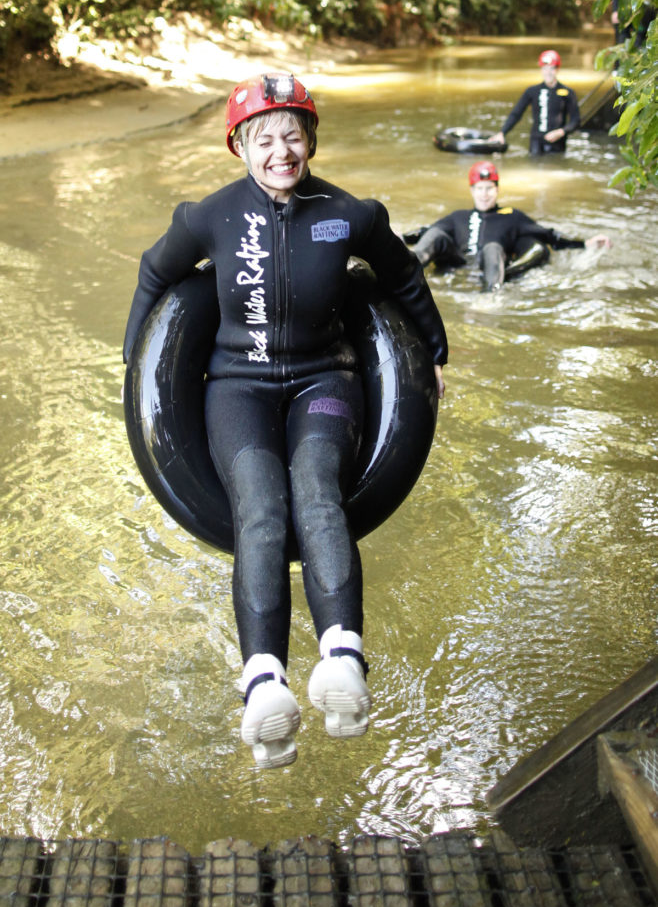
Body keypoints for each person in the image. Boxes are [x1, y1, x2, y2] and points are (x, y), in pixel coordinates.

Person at [123, 71, 448, 770]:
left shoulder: (349, 214)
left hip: (324, 380)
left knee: (317, 487)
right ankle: (265, 683)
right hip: (235, 387)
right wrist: (133, 370)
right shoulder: (207, 216)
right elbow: (153, 274)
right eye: (264, 137)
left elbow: (403, 277)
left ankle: (342, 662)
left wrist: (438, 355)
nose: (281, 150)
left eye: (293, 135)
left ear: (311, 139)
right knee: (262, 509)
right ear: (239, 144)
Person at [405, 160, 611, 290]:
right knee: (437, 234)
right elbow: (427, 232)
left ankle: (491, 297)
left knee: (492, 247)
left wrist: (584, 244)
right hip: (458, 263)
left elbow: (548, 235)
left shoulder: (512, 217)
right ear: (472, 190)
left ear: (497, 190)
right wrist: (401, 238)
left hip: (490, 267)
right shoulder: (459, 216)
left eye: (489, 189)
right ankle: (404, 273)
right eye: (480, 189)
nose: (484, 194)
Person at [490, 50, 580, 155]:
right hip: (536, 144)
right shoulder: (532, 91)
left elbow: (576, 121)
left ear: (557, 69)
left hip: (557, 145)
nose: (548, 72)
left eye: (552, 68)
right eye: (545, 68)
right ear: (541, 69)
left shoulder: (568, 93)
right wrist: (502, 133)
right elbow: (516, 114)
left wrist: (561, 132)